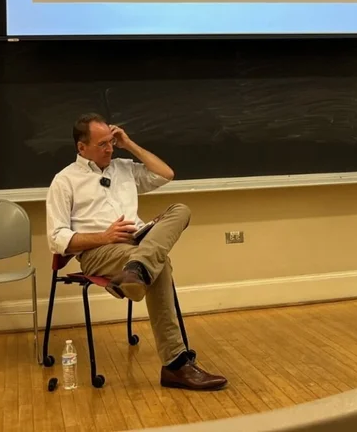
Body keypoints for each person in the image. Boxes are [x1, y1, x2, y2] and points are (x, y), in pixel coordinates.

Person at [46, 113, 228, 390]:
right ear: (81, 148)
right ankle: (175, 364)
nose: (109, 149)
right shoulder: (65, 181)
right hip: (100, 251)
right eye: (102, 144)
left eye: (111, 142)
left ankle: (136, 270)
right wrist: (104, 236)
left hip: (139, 240)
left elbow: (166, 174)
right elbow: (56, 238)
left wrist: (129, 144)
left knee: (180, 210)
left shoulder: (124, 168)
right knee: (160, 263)